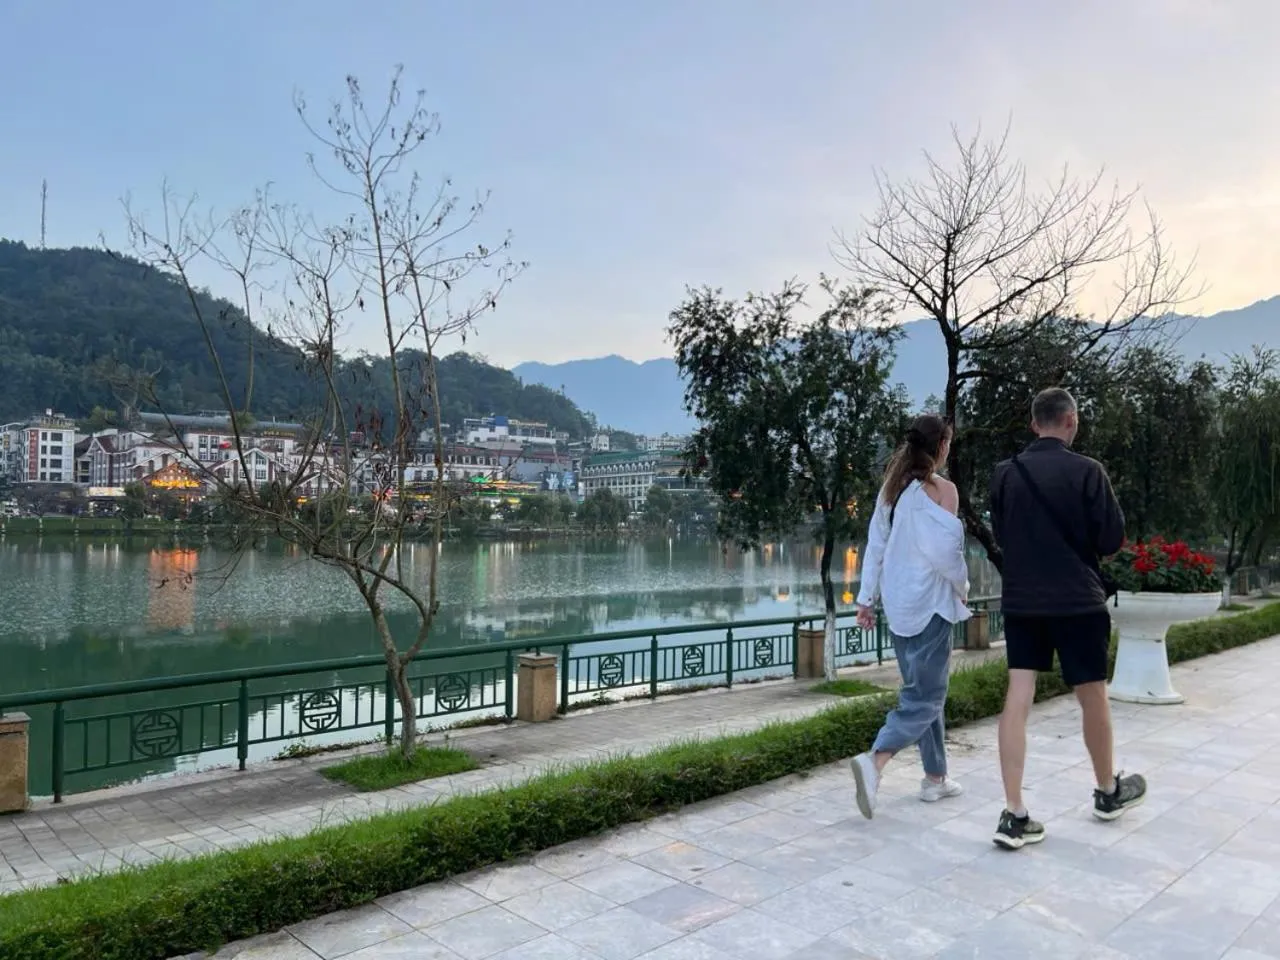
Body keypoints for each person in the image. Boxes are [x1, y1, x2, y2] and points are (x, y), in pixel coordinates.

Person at [989, 387, 1146, 850]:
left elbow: (1002, 534)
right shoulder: (1088, 472)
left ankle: (1014, 814)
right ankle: (1106, 791)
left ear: (1035, 423)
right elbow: (1113, 540)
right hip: (1078, 601)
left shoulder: (1005, 474)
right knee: (1092, 695)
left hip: (1022, 603)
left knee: (1018, 694)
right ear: (1071, 421)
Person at [850, 414, 970, 820]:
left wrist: (866, 599)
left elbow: (875, 547)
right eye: (948, 443)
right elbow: (946, 556)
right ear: (941, 447)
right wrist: (963, 588)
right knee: (927, 695)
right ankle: (876, 760)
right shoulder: (943, 492)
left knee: (922, 688)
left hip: (899, 607)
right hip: (931, 606)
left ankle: (935, 778)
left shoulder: (892, 490)